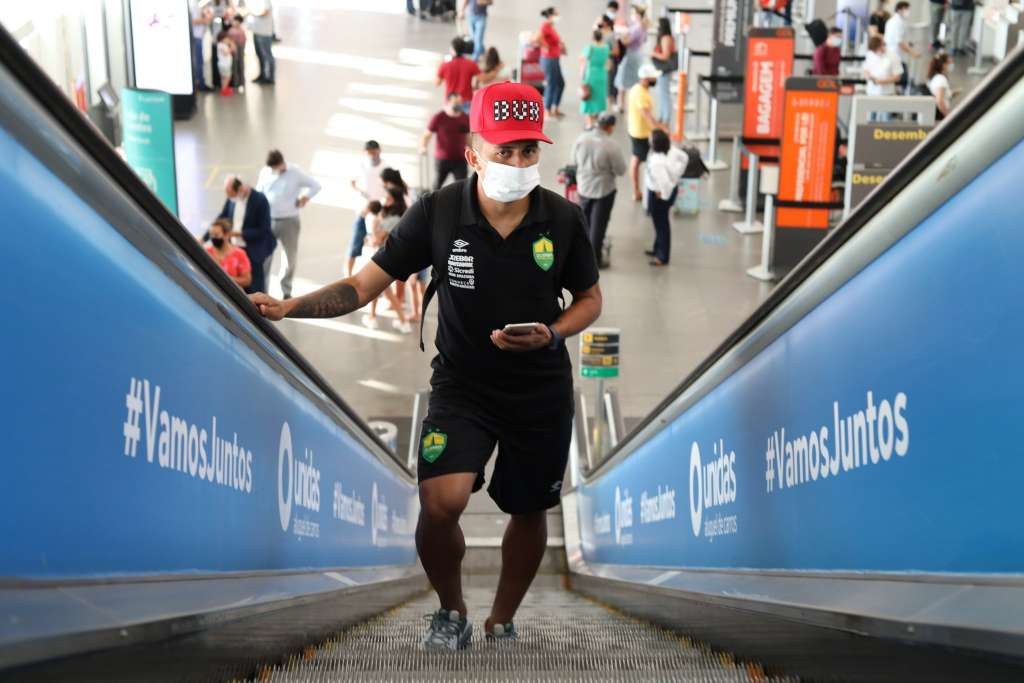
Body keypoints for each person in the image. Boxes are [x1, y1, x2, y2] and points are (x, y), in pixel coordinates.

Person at [249, 81, 602, 650]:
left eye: (528, 150)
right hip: (463, 385)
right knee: (441, 503)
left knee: (531, 507)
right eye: (503, 151)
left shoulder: (561, 220)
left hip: (539, 391)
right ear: (472, 154)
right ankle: (453, 608)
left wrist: (553, 333)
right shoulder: (438, 214)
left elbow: (589, 298)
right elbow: (364, 284)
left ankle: (502, 618)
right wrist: (290, 305)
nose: (517, 163)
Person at [256, 150, 322, 300]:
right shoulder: (265, 172)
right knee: (265, 257)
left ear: (281, 162)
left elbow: (315, 185)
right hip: (269, 220)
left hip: (289, 221)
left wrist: (305, 197)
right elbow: (259, 192)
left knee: (289, 257)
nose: (276, 170)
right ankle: (262, 290)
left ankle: (286, 289)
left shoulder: (295, 172)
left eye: (277, 167)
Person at [572, 112, 626, 268]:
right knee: (598, 225)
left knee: (585, 222)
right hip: (604, 189)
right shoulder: (611, 145)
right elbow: (621, 170)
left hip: (584, 186)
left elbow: (573, 161)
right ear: (610, 128)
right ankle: (595, 260)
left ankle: (581, 255)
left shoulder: (581, 139)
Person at [364, 187, 414, 333]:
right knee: (376, 289)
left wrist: (372, 232)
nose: (384, 198)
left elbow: (377, 240)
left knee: (384, 291)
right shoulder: (389, 215)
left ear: (394, 200)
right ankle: (372, 317)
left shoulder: (393, 218)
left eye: (387, 197)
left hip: (382, 258)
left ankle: (403, 321)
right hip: (381, 256)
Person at [219, 175, 276, 293]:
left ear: (241, 189)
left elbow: (264, 229)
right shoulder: (232, 199)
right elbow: (222, 218)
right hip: (235, 249)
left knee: (255, 289)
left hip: (253, 251)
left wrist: (239, 234)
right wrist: (205, 237)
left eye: (232, 195)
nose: (231, 198)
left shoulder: (260, 200)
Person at [645, 129, 687, 267]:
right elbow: (685, 158)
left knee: (661, 224)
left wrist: (662, 195)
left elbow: (665, 183)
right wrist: (677, 175)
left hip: (659, 195)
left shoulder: (657, 162)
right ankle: (657, 248)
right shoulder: (671, 150)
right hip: (667, 191)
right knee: (660, 223)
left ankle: (662, 256)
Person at [348, 140, 388, 277]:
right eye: (369, 153)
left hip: (379, 213)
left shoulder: (385, 167)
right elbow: (352, 182)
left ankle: (377, 278)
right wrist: (361, 193)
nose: (372, 156)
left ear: (379, 151)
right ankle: (348, 276)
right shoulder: (361, 166)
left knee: (379, 247)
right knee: (355, 244)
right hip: (364, 211)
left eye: (374, 152)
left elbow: (391, 187)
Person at [627, 63, 665, 201]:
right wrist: (660, 129)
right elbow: (646, 115)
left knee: (637, 159)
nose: (655, 80)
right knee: (642, 160)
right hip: (641, 133)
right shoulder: (641, 94)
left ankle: (638, 190)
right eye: (653, 78)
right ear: (645, 78)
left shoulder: (638, 88)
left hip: (636, 129)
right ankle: (640, 191)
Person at [422, 93, 471, 190]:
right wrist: (423, 147)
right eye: (455, 102)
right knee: (437, 186)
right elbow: (427, 135)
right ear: (448, 102)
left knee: (463, 187)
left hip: (460, 159)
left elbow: (468, 137)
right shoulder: (439, 117)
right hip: (442, 159)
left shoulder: (465, 118)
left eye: (460, 102)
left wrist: (472, 150)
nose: (458, 104)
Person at [614, 4, 649, 111]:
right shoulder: (641, 27)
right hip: (637, 54)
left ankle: (621, 105)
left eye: (633, 13)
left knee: (623, 81)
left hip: (630, 56)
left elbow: (627, 42)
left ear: (638, 15)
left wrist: (619, 37)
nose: (632, 15)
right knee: (634, 80)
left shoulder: (637, 28)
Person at [535, 7, 566, 118]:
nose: (558, 17)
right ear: (551, 15)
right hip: (549, 60)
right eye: (557, 14)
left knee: (560, 84)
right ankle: (547, 109)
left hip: (555, 58)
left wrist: (561, 47)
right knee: (552, 84)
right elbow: (536, 39)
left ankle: (555, 107)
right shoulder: (545, 26)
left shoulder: (551, 27)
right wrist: (545, 46)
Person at [863, 35, 904, 118]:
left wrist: (882, 82)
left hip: (887, 93)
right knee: (870, 119)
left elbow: (898, 76)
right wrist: (867, 76)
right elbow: (866, 69)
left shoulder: (893, 56)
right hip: (871, 93)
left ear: (882, 45)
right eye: (873, 51)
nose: (875, 52)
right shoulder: (870, 54)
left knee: (885, 120)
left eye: (876, 50)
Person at [205, 218, 252, 289]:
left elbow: (247, 280)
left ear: (227, 235)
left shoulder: (239, 254)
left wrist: (226, 279)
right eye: (211, 235)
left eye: (216, 235)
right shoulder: (207, 252)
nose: (213, 238)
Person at [437, 37, 481, 114]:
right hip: (466, 102)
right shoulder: (471, 64)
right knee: (466, 125)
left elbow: (437, 83)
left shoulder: (445, 65)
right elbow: (483, 78)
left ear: (452, 49)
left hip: (450, 102)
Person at [884, 1, 920, 92]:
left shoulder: (894, 21)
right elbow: (899, 42)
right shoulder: (897, 22)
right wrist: (913, 53)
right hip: (897, 56)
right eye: (906, 9)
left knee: (898, 80)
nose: (908, 11)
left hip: (894, 54)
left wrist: (909, 44)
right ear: (900, 10)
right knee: (901, 81)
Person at [580, 29, 611, 128]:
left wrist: (581, 77)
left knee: (588, 97)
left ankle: (589, 124)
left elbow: (583, 64)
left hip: (591, 75)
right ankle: (597, 121)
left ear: (593, 38)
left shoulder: (589, 48)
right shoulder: (606, 48)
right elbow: (607, 62)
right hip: (602, 74)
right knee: (599, 98)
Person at [650, 18, 676, 125]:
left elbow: (666, 56)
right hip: (661, 70)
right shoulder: (665, 38)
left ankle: (666, 118)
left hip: (664, 70)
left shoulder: (666, 38)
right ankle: (661, 116)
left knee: (664, 94)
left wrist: (653, 54)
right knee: (660, 93)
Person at [597, 16, 621, 112]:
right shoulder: (599, 33)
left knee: (609, 84)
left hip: (609, 63)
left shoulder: (611, 35)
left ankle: (611, 106)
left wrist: (604, 51)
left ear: (605, 23)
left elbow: (616, 51)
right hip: (600, 63)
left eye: (600, 21)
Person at [189, 2, 213, 92]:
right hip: (195, 36)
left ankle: (201, 84)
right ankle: (199, 85)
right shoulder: (192, 4)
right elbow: (191, 21)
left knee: (200, 61)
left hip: (199, 36)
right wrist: (204, 20)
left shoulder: (199, 5)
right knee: (198, 61)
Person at [252, 0, 275, 85]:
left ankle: (270, 78)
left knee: (267, 55)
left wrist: (254, 13)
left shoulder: (266, 2)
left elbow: (266, 12)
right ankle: (262, 75)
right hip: (257, 31)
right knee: (259, 55)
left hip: (264, 33)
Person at [927, 52, 955, 118]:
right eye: (950, 63)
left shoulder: (935, 77)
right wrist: (947, 116)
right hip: (940, 115)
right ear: (943, 65)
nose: (952, 65)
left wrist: (952, 93)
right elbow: (939, 100)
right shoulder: (941, 79)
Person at [227, 14, 247, 92]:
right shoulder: (230, 30)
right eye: (234, 21)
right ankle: (235, 83)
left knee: (240, 65)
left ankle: (241, 82)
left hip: (240, 49)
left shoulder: (242, 30)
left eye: (236, 21)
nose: (234, 22)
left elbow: (244, 41)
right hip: (233, 50)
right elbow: (229, 41)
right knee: (234, 65)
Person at [215, 30, 236, 96]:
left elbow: (234, 50)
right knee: (227, 77)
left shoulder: (224, 45)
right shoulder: (220, 45)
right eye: (226, 38)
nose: (227, 40)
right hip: (224, 65)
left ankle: (224, 88)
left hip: (225, 65)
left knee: (224, 77)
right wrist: (231, 48)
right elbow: (226, 53)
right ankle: (224, 90)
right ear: (221, 39)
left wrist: (232, 44)